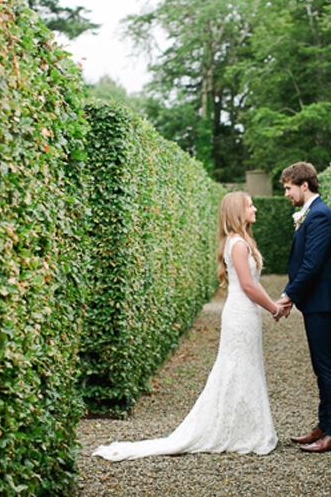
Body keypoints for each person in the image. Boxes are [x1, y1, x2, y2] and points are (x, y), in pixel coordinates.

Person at [92, 191, 282, 461]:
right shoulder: (238, 244)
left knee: (244, 368)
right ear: (237, 211)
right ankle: (239, 430)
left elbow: (253, 283)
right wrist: (273, 308)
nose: (255, 209)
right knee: (236, 368)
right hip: (240, 314)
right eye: (250, 205)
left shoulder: (238, 241)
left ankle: (244, 428)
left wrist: (274, 304)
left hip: (245, 313)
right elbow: (248, 286)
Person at [276, 162, 331, 453]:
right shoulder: (312, 213)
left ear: (304, 185)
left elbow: (312, 264)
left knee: (329, 367)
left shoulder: (319, 215)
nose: (286, 194)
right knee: (321, 367)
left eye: (288, 188)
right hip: (318, 301)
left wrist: (288, 296)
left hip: (324, 301)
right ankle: (325, 425)